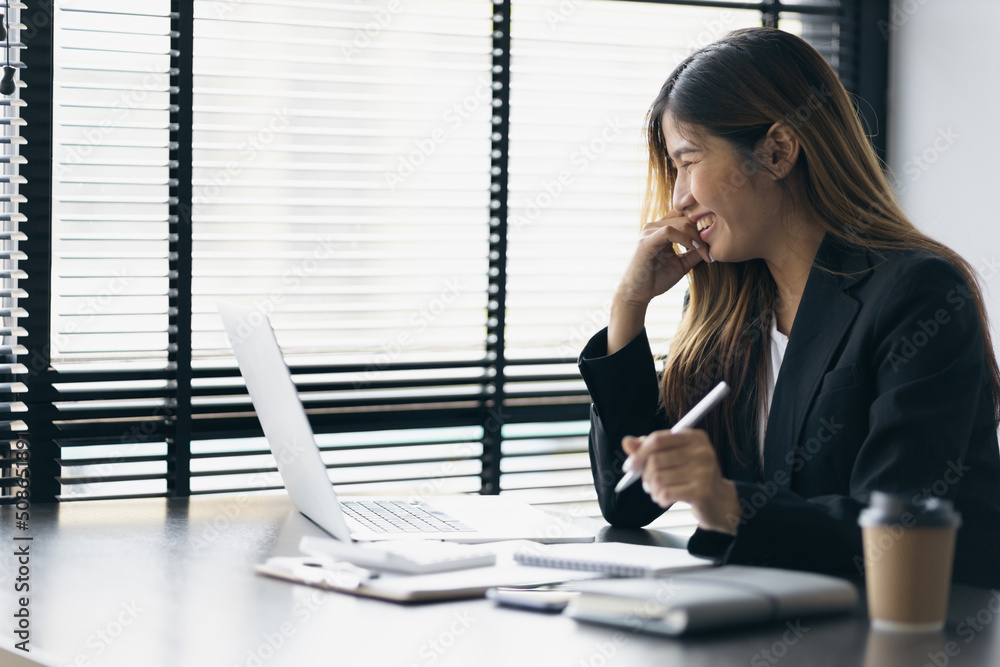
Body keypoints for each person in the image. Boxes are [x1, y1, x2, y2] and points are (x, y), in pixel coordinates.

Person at [578, 26, 1000, 587]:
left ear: (777, 151)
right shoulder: (728, 309)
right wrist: (628, 308)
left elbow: (899, 530)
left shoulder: (917, 293)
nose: (678, 197)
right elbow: (626, 501)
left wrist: (725, 502)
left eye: (688, 159)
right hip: (763, 629)